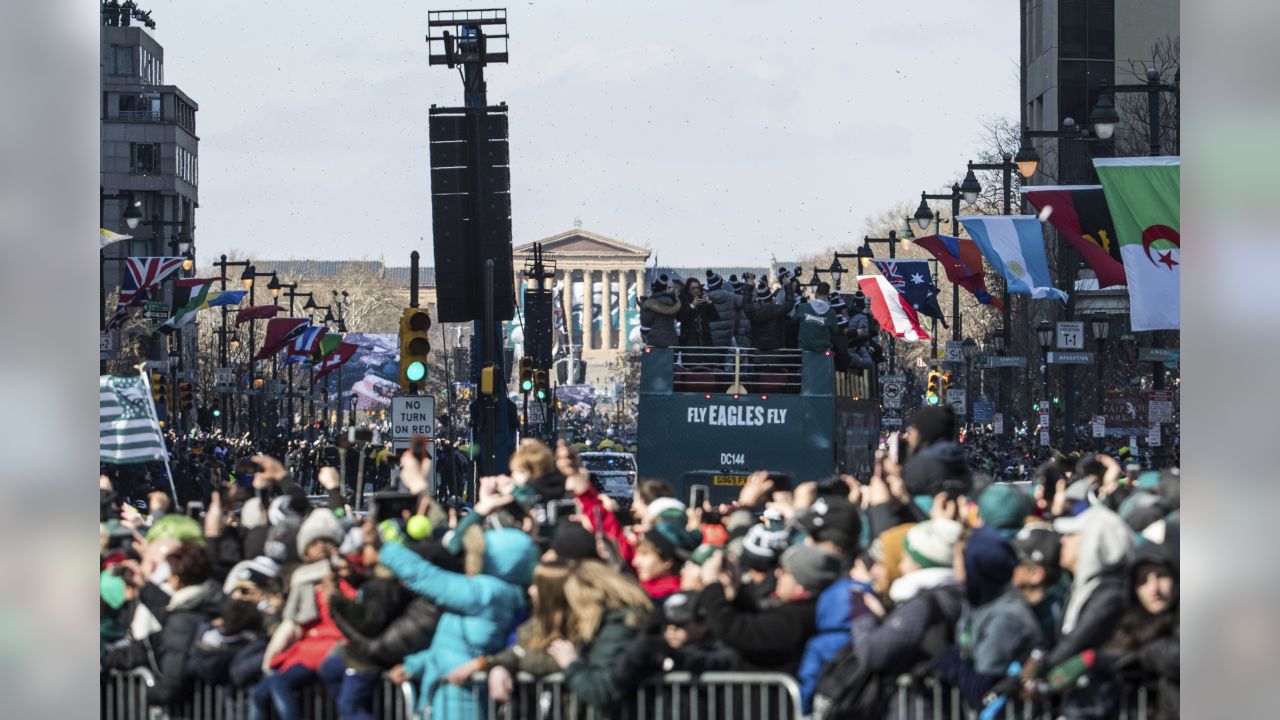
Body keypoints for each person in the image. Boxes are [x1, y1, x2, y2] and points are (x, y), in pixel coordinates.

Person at [378, 522, 536, 719]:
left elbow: (426, 578)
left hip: (460, 701)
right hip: (444, 697)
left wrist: (387, 547)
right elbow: (451, 649)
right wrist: (414, 665)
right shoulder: (499, 594)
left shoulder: (487, 593)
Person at [251, 509, 354, 720]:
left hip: (328, 648)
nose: (322, 547)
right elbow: (292, 624)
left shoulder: (344, 580)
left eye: (327, 541)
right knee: (259, 692)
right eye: (315, 542)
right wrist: (270, 658)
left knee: (277, 683)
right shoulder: (300, 581)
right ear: (305, 550)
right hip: (306, 649)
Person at [698, 544, 838, 673]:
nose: (777, 574)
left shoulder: (796, 619)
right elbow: (754, 621)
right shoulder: (805, 611)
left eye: (784, 571)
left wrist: (712, 584)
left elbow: (734, 629)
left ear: (800, 584)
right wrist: (736, 588)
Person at [791, 281, 837, 353]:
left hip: (804, 350)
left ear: (816, 293)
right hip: (823, 350)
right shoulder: (831, 313)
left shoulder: (803, 308)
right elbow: (834, 331)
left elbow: (793, 321)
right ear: (828, 295)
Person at [703, 270, 743, 348]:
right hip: (727, 339)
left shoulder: (704, 299)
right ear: (721, 285)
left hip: (711, 339)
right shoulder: (732, 296)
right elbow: (745, 301)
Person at [640, 274, 681, 348]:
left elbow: (645, 325)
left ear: (654, 288)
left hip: (655, 342)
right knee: (670, 359)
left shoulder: (649, 303)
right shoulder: (673, 302)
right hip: (672, 341)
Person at [677, 277, 719, 347]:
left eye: (698, 288)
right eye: (693, 288)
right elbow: (681, 318)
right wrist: (692, 306)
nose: (696, 290)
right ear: (688, 290)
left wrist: (709, 303)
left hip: (705, 341)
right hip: (689, 342)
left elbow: (715, 317)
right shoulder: (683, 300)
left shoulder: (703, 299)